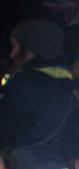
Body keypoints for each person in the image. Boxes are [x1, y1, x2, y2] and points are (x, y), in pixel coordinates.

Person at [0, 20, 74, 151]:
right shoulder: (65, 81)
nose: (12, 54)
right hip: (49, 162)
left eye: (15, 46)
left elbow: (4, 128)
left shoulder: (26, 82)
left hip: (21, 163)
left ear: (31, 47)